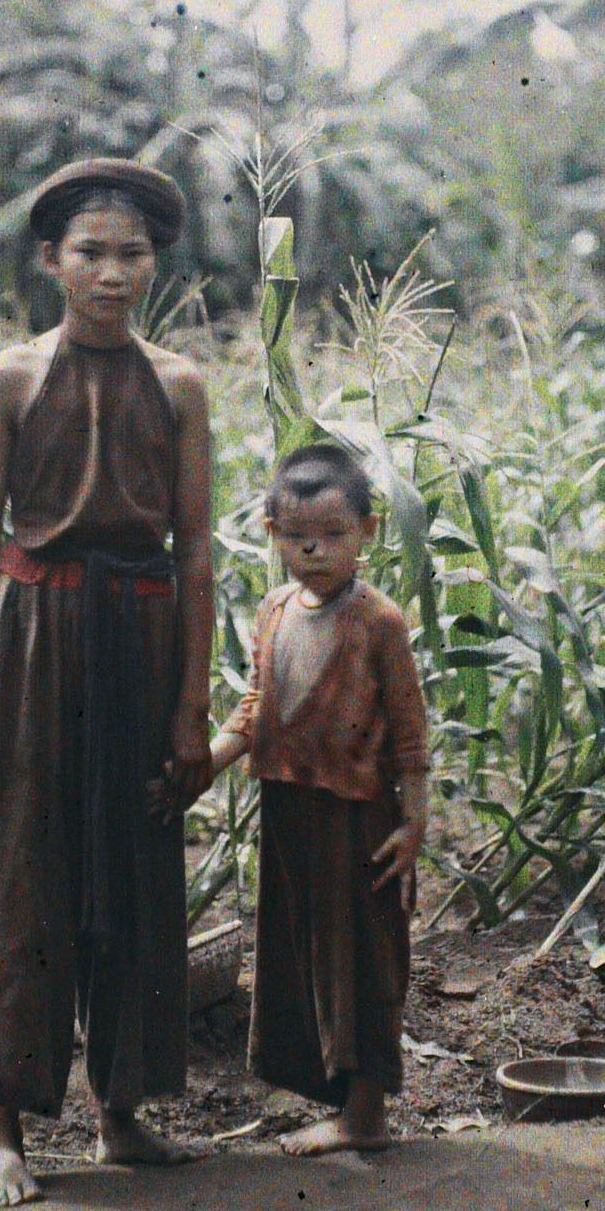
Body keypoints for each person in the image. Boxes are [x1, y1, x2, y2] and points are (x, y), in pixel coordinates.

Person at [0, 157, 215, 1207]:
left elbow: (196, 549)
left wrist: (191, 704)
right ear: (51, 261)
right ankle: (1, 1127)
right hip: (35, 633)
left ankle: (123, 1111)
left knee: (137, 863)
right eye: (90, 253)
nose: (113, 273)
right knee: (24, 864)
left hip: (141, 632)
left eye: (132, 253)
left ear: (155, 263)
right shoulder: (10, 380)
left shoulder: (179, 384)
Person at [209, 443, 428, 1155]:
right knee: (302, 950)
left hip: (356, 815)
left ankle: (364, 1114)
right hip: (288, 807)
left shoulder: (378, 621)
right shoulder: (274, 610)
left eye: (334, 534)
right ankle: (336, 1097)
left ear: (368, 531)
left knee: (361, 955)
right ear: (273, 534)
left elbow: (409, 733)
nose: (315, 550)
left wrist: (414, 822)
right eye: (298, 536)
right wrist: (206, 763)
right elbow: (255, 705)